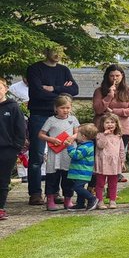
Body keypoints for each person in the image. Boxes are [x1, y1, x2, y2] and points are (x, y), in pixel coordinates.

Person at [25, 46, 79, 205]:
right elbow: (37, 93)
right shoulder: (35, 69)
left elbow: (74, 90)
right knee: (37, 155)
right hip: (40, 114)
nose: (58, 55)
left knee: (61, 153)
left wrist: (53, 88)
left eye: (61, 52)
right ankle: (35, 193)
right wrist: (62, 92)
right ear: (46, 52)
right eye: (55, 51)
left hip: (62, 117)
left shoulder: (64, 70)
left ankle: (54, 192)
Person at [37, 94, 78, 212]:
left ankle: (68, 199)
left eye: (68, 108)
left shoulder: (73, 119)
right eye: (62, 108)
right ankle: (50, 199)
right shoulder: (51, 120)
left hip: (68, 152)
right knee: (52, 177)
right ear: (56, 108)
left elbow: (77, 132)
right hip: (55, 153)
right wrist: (52, 139)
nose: (65, 110)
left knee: (68, 177)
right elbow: (41, 134)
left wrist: (72, 137)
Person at [92, 64, 129, 149]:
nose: (114, 78)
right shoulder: (99, 91)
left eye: (117, 76)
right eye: (112, 76)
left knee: (118, 157)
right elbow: (98, 110)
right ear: (107, 76)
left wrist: (113, 111)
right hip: (102, 129)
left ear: (122, 76)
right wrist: (109, 95)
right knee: (102, 157)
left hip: (123, 130)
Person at [0, 78, 27, 220]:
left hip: (7, 150)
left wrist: (16, 148)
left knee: (3, 180)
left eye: (0, 87)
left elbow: (20, 130)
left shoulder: (13, 107)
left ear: (6, 89)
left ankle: (1, 208)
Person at [66, 123, 100, 212]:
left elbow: (76, 156)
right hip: (80, 172)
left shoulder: (85, 147)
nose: (76, 136)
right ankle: (80, 203)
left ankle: (92, 198)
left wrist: (69, 146)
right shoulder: (85, 145)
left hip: (83, 172)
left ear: (84, 136)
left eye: (78, 134)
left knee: (77, 187)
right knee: (79, 187)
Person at [94, 112, 124, 209]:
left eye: (112, 122)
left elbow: (121, 149)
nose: (110, 124)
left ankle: (112, 200)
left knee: (113, 183)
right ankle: (100, 201)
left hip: (114, 163)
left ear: (116, 124)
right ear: (103, 124)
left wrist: (122, 161)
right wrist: (104, 135)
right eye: (107, 122)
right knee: (100, 183)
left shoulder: (118, 136)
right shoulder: (99, 135)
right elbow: (100, 145)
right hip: (102, 162)